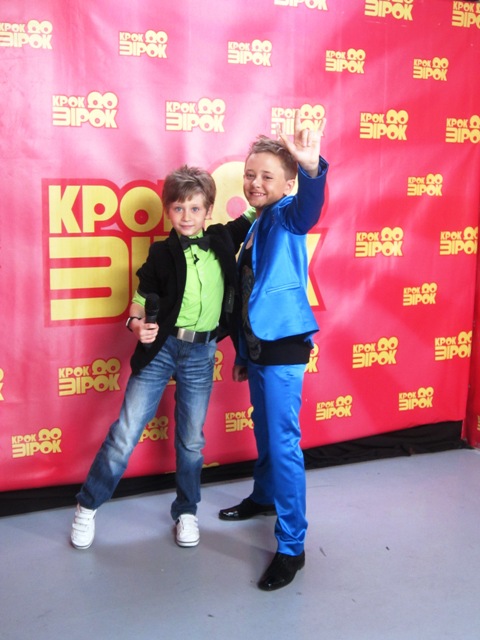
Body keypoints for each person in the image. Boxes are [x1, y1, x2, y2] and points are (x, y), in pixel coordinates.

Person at [70, 165, 255, 550]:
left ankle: (186, 511)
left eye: (195, 208)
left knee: (191, 440)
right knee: (126, 433)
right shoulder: (160, 253)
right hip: (162, 348)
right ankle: (87, 506)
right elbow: (139, 301)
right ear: (168, 210)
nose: (186, 217)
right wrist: (136, 325)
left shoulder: (223, 238)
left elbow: (255, 210)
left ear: (208, 211)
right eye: (178, 208)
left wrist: (286, 178)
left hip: (202, 353)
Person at [218, 110, 328, 591]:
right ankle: (263, 497)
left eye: (266, 176)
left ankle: (292, 547)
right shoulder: (256, 223)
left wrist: (311, 168)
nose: (255, 183)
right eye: (250, 174)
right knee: (265, 432)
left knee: (283, 443)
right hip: (259, 349)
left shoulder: (286, 215)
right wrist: (244, 353)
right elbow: (248, 293)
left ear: (286, 185)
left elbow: (308, 209)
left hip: (283, 348)